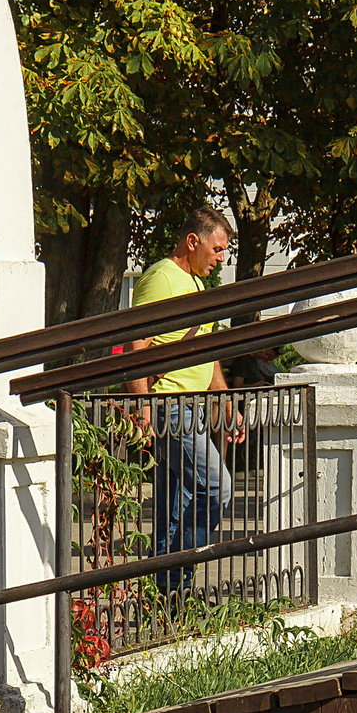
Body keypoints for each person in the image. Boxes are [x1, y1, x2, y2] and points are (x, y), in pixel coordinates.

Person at [124, 206, 240, 594]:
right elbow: (136, 344)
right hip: (168, 407)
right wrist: (142, 408)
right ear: (193, 242)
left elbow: (207, 352)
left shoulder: (196, 285)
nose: (221, 258)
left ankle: (168, 597)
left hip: (192, 409)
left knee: (175, 509)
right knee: (216, 486)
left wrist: (225, 401)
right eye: (218, 248)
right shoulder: (162, 278)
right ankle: (180, 577)